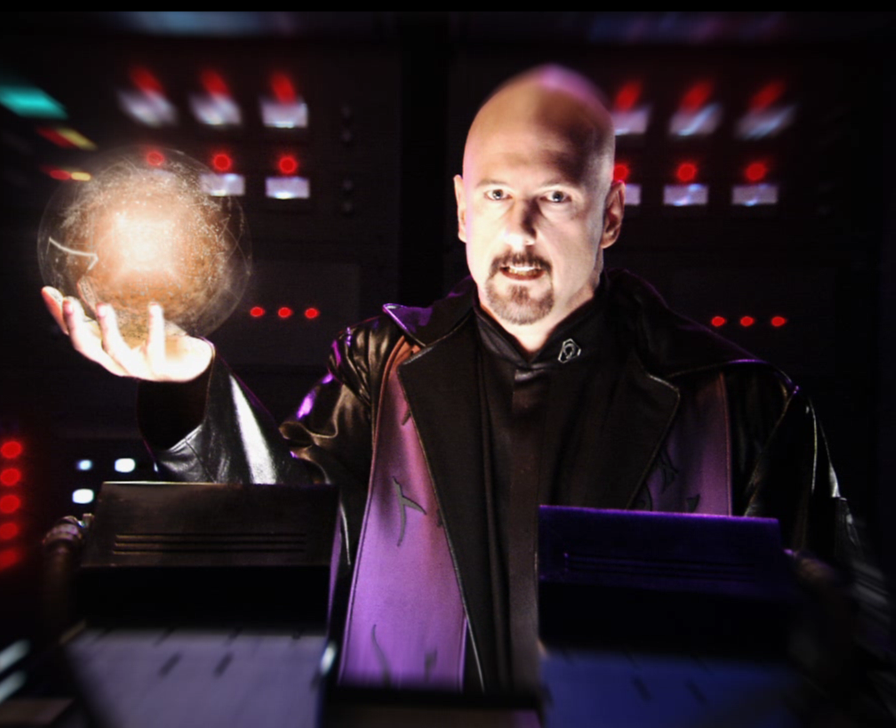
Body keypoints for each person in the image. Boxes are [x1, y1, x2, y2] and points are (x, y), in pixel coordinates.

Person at [42, 66, 851, 696]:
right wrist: (193, 384)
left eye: (555, 196)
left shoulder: (745, 400)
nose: (519, 230)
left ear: (608, 214)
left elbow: (843, 646)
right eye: (497, 196)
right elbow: (284, 528)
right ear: (463, 209)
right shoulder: (378, 362)